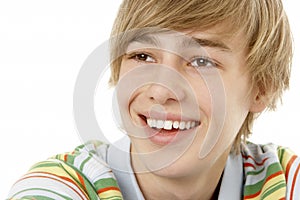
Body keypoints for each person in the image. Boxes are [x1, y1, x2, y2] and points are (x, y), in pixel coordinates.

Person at [8, 0, 300, 199]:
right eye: (142, 56)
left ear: (261, 87)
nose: (161, 91)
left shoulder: (285, 183)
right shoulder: (57, 188)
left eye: (201, 61)